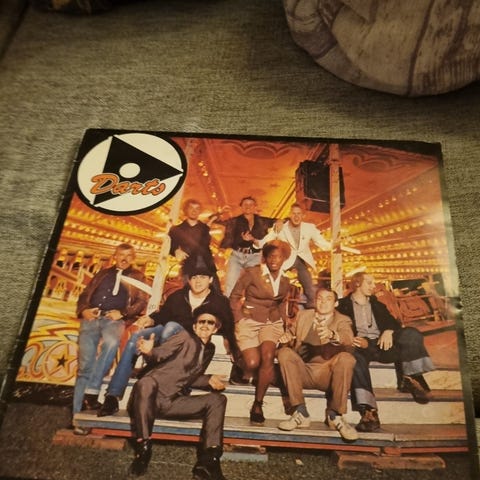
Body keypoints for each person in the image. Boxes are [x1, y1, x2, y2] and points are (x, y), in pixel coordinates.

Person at [97, 266, 237, 417]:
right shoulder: (178, 296)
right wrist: (150, 319)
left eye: (202, 277)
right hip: (167, 333)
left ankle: (154, 368)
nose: (198, 281)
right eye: (194, 277)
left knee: (171, 327)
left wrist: (232, 347)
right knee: (136, 338)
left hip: (190, 340)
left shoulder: (219, 302)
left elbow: (228, 326)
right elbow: (162, 315)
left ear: (210, 280)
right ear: (189, 280)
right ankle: (113, 395)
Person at [128, 308, 228, 478]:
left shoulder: (208, 350)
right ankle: (143, 450)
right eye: (201, 322)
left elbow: (188, 377)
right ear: (194, 327)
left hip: (171, 402)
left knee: (218, 400)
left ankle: (209, 461)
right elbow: (160, 353)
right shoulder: (184, 337)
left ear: (215, 329)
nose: (205, 325)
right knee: (146, 382)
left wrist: (208, 380)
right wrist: (150, 351)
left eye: (210, 322)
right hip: (148, 399)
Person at [337, 272, 435, 433]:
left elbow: (394, 323)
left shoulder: (378, 304)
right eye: (369, 282)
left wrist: (389, 330)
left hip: (382, 345)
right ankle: (369, 412)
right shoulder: (342, 305)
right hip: (360, 347)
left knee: (411, 333)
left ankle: (410, 378)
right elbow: (338, 328)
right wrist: (352, 339)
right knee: (354, 358)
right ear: (357, 284)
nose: (373, 286)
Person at [72, 243, 148, 433]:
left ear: (133, 258)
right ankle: (77, 419)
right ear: (115, 256)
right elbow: (85, 294)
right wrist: (84, 310)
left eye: (128, 255)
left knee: (112, 343)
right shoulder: (103, 273)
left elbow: (141, 301)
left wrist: (123, 313)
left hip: (113, 320)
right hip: (92, 318)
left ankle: (92, 391)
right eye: (121, 255)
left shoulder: (138, 277)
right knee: (85, 367)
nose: (124, 259)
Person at [276, 288, 358, 442]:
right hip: (304, 371)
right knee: (285, 353)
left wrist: (332, 334)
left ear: (336, 303)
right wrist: (286, 338)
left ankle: (335, 415)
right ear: (315, 301)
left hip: (327, 374)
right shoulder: (303, 315)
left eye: (328, 299)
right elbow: (291, 334)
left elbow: (347, 337)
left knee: (347, 358)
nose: (323, 302)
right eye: (320, 298)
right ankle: (301, 412)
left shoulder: (343, 320)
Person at [229, 240, 291, 425]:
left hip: (271, 322)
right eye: (271, 256)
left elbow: (281, 303)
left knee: (268, 355)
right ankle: (240, 364)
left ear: (284, 259)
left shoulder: (286, 280)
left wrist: (285, 323)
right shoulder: (252, 273)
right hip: (249, 319)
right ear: (265, 257)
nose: (274, 260)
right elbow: (234, 296)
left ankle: (258, 404)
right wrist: (238, 318)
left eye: (278, 257)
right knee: (253, 362)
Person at [262, 203, 331, 308]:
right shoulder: (281, 227)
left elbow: (321, 242)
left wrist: (334, 246)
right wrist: (257, 244)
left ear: (303, 215)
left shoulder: (309, 227)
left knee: (309, 288)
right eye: (294, 213)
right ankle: (270, 306)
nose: (296, 216)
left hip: (301, 261)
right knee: (274, 285)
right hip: (285, 259)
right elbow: (268, 239)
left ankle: (312, 310)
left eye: (299, 214)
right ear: (290, 214)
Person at [210, 196, 279, 296]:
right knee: (230, 285)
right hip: (237, 255)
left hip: (254, 256)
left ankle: (250, 305)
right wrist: (220, 213)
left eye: (251, 204)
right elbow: (213, 221)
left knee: (253, 286)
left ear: (255, 207)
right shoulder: (235, 221)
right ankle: (228, 305)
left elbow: (279, 220)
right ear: (241, 207)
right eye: (245, 204)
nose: (248, 206)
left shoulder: (262, 221)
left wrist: (279, 221)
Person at [168, 198, 221, 292]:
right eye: (191, 208)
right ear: (186, 210)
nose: (194, 211)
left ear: (200, 212)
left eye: (197, 209)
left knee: (215, 292)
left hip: (207, 265)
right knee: (190, 292)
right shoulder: (176, 229)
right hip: (189, 265)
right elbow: (171, 245)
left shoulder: (204, 228)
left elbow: (205, 244)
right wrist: (176, 250)